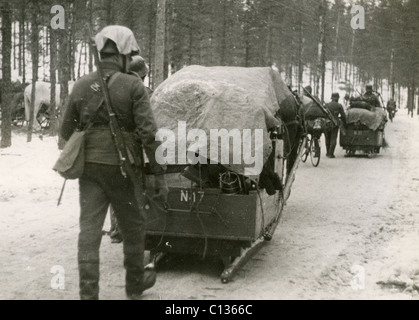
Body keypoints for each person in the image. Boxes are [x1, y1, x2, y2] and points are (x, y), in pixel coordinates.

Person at [60, 25, 168, 300]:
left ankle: (88, 294)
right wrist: (157, 173)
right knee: (133, 228)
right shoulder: (133, 85)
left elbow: (64, 133)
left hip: (90, 169)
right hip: (124, 170)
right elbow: (149, 134)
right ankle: (134, 287)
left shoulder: (82, 85)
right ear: (122, 54)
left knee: (89, 231)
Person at [325, 93, 347, 158]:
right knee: (333, 138)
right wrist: (345, 123)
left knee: (327, 138)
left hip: (326, 123)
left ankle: (327, 152)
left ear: (332, 98)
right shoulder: (339, 105)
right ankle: (331, 153)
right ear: (337, 98)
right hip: (335, 124)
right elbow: (343, 116)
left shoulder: (327, 105)